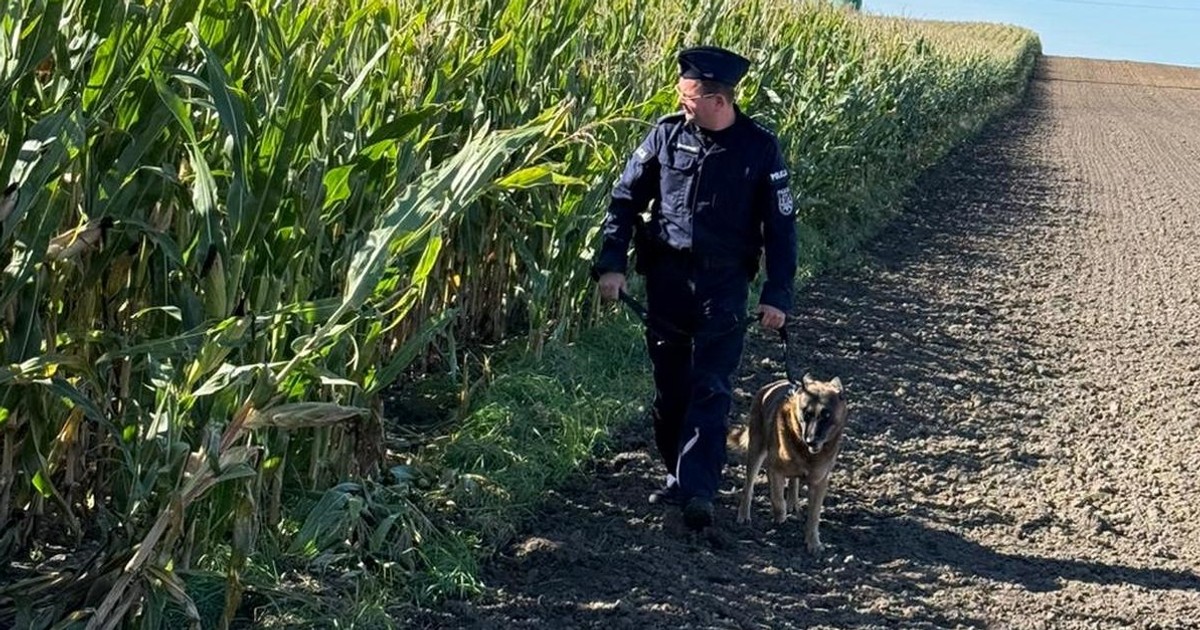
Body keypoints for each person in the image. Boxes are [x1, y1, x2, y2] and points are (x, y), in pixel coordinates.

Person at [591, 45, 798, 530]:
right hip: (666, 280)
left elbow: (782, 228)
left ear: (718, 101)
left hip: (723, 285)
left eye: (688, 97)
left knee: (711, 387)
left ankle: (699, 493)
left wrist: (777, 294)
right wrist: (611, 264)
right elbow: (624, 202)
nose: (681, 103)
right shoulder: (665, 136)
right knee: (671, 390)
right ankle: (679, 475)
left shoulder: (760, 148)